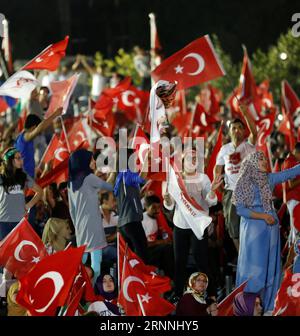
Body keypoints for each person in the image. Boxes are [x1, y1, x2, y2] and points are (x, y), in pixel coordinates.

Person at [232, 151, 300, 313]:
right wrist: (263, 216)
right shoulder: (243, 182)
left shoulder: (268, 178)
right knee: (253, 268)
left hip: (271, 231)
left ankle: (268, 306)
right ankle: (248, 307)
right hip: (253, 231)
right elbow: (240, 210)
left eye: (264, 158)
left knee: (271, 267)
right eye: (261, 158)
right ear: (252, 162)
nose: (264, 161)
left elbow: (290, 173)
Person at [163, 149, 222, 299]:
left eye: (196, 157)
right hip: (180, 225)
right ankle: (178, 295)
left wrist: (213, 191)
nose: (193, 160)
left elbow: (210, 201)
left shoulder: (203, 178)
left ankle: (212, 294)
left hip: (197, 225)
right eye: (190, 157)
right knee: (179, 262)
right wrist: (167, 198)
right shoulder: (175, 179)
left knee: (201, 261)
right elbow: (170, 206)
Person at [0, 147, 42, 303]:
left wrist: (28, 205)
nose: (21, 160)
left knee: (16, 260)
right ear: (10, 161)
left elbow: (39, 191)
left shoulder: (23, 176)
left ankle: (14, 295)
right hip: (3, 223)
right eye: (18, 158)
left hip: (19, 224)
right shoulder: (1, 177)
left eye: (21, 157)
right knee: (5, 259)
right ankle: (5, 296)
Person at [68, 149, 114, 284]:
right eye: (92, 159)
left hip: (80, 227)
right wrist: (113, 171)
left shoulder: (71, 182)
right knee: (96, 264)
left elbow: (72, 210)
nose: (94, 162)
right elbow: (109, 186)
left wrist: (78, 227)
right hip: (93, 226)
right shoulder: (89, 178)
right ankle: (90, 293)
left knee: (80, 261)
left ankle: (75, 289)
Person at [214, 104, 257, 251]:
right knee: (234, 230)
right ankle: (241, 259)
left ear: (244, 131)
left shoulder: (248, 146)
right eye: (234, 128)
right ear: (229, 131)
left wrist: (245, 113)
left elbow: (255, 133)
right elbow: (218, 169)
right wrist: (218, 184)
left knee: (250, 227)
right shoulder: (224, 149)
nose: (237, 130)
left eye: (240, 127)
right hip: (230, 193)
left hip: (248, 192)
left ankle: (251, 257)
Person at [114, 148, 149, 263]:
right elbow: (142, 178)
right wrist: (147, 159)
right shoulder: (127, 173)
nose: (136, 160)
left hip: (124, 224)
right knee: (142, 256)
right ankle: (142, 280)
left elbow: (126, 198)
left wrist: (140, 194)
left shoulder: (120, 176)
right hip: (132, 222)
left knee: (132, 258)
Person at [15, 107, 63, 178]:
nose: (40, 133)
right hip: (26, 181)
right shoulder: (25, 137)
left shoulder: (21, 137)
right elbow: (40, 128)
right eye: (38, 131)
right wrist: (55, 114)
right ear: (34, 128)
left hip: (28, 178)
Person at [142, 195, 174, 279]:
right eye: (154, 208)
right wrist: (162, 242)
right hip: (146, 252)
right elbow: (143, 244)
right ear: (146, 207)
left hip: (156, 249)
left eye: (159, 207)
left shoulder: (159, 217)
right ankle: (169, 277)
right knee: (167, 249)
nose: (157, 210)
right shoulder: (142, 220)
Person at [282, 142, 300, 246]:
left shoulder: (291, 161)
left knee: (295, 230)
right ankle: (293, 258)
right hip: (293, 198)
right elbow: (291, 183)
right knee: (295, 230)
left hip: (294, 198)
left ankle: (290, 256)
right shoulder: (290, 161)